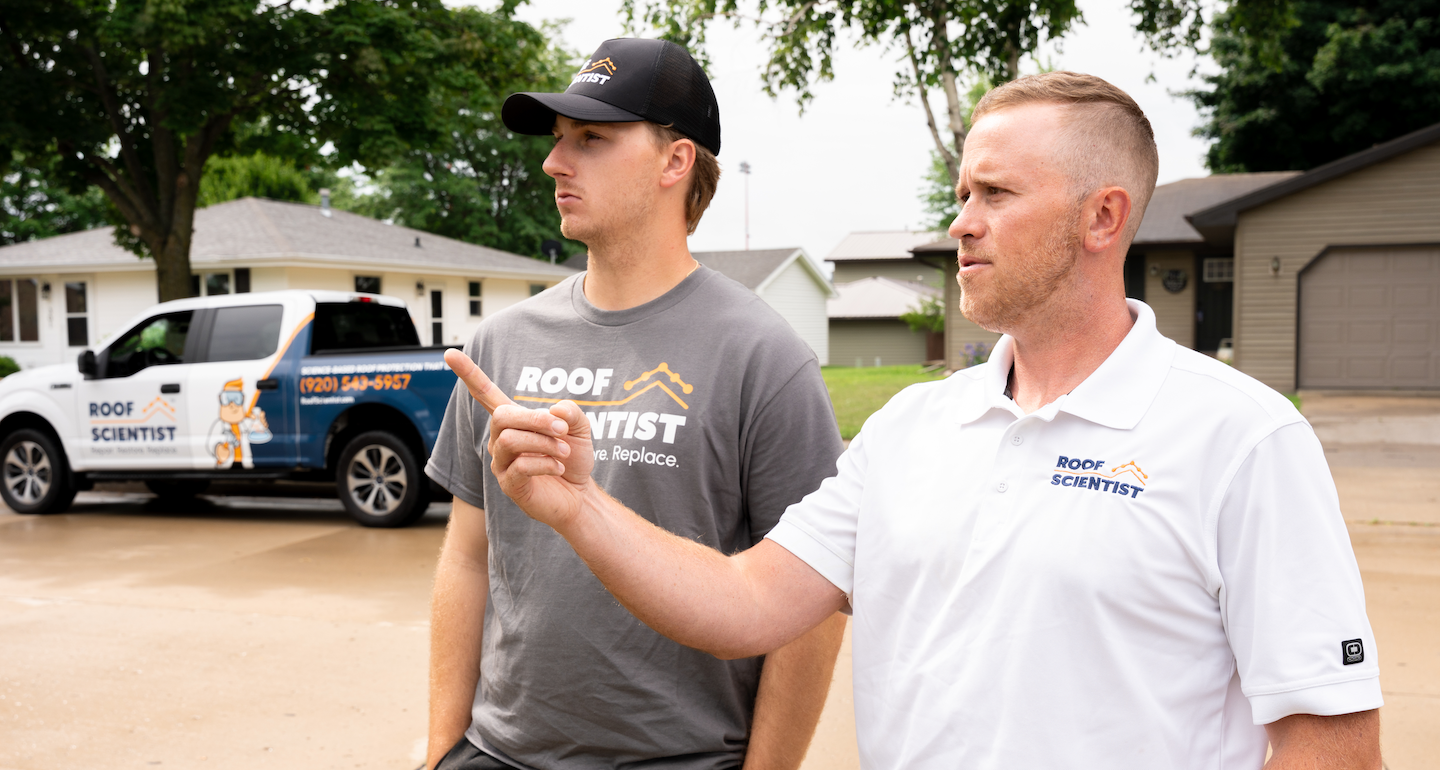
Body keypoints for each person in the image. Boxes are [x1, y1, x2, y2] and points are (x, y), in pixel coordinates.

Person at [453, 71, 1385, 769]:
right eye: (963, 193)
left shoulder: (1241, 439)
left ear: (1103, 218)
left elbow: (1332, 741)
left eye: (996, 195)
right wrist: (579, 506)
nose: (961, 223)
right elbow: (746, 603)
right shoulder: (910, 428)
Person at [424, 37, 848, 770]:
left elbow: (809, 612)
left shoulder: (764, 358)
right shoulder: (500, 343)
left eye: (591, 139)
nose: (555, 162)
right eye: (558, 139)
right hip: (499, 753)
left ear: (674, 161)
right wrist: (440, 748)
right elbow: (467, 557)